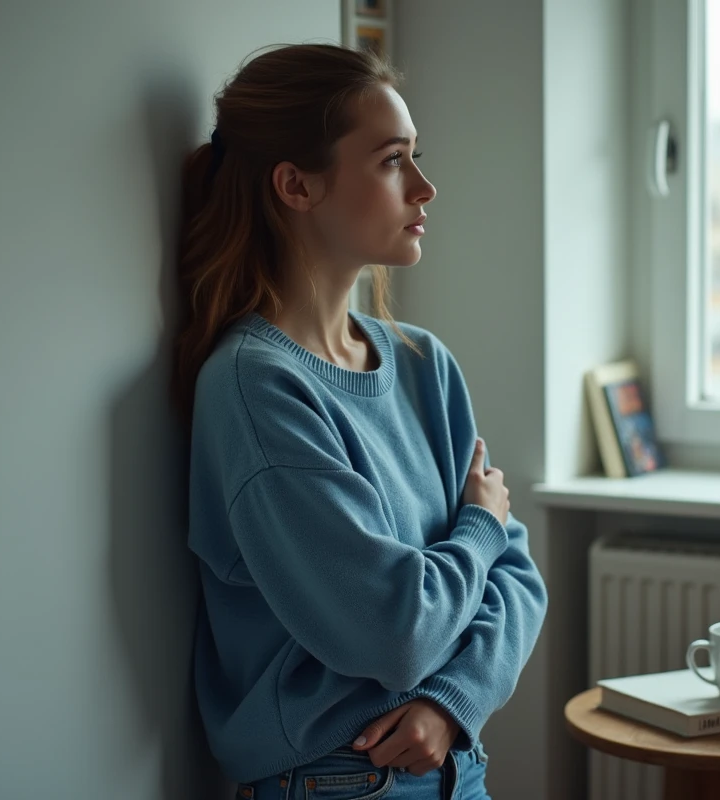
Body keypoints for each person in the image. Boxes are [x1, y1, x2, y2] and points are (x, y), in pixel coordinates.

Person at [171, 43, 548, 800]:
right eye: (391, 161)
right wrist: (478, 523)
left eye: (416, 158)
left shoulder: (422, 363)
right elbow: (394, 632)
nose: (425, 187)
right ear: (296, 186)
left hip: (456, 765)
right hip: (335, 782)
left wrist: (455, 701)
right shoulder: (256, 389)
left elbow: (516, 576)